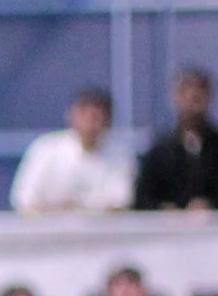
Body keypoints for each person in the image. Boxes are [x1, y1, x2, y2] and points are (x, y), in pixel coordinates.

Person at [135, 66, 218, 211]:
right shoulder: (159, 149)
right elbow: (143, 197)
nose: (192, 101)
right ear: (175, 97)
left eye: (198, 95)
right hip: (167, 230)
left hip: (214, 230)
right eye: (185, 93)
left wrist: (210, 206)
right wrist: (163, 209)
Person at [9, 85, 134, 214]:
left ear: (107, 120)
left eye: (95, 115)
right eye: (83, 113)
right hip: (49, 231)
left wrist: (85, 209)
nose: (89, 120)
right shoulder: (46, 148)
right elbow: (23, 198)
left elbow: (122, 201)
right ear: (70, 115)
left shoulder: (121, 156)